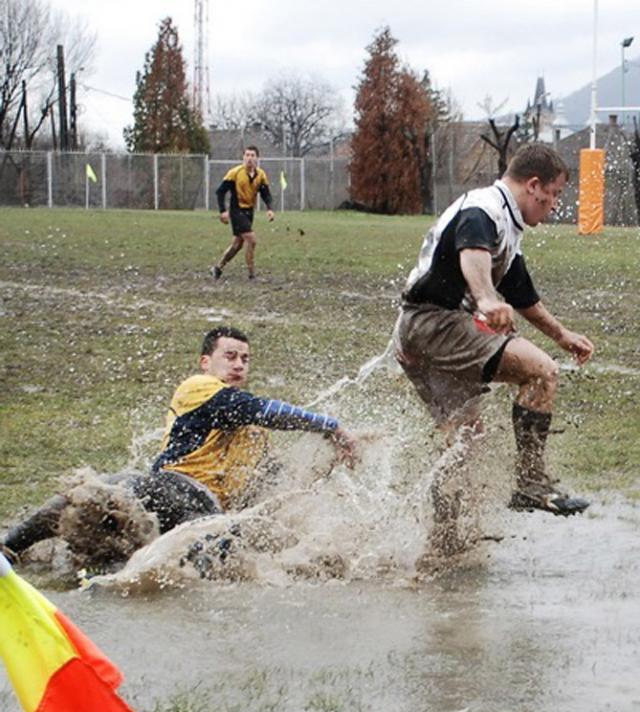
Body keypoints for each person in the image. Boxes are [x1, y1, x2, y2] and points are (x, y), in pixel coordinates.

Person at [1, 326, 357, 563]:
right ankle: (10, 546)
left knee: (210, 544)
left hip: (206, 512)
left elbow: (268, 481)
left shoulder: (256, 433)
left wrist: (324, 469)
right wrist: (330, 426)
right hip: (169, 487)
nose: (238, 365)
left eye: (245, 359)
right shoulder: (198, 388)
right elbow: (256, 408)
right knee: (93, 492)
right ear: (206, 362)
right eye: (229, 356)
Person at [393, 142, 594, 521]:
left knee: (466, 444)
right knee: (541, 372)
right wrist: (485, 298)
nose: (553, 207)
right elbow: (472, 251)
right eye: (553, 196)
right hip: (434, 324)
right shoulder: (484, 209)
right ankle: (531, 484)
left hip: (416, 335)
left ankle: (444, 545)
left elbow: (520, 293)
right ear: (533, 185)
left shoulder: (504, 221)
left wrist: (562, 335)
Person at [212, 146, 274, 281]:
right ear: (243, 158)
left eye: (252, 155)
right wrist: (222, 211)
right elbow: (220, 192)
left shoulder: (261, 174)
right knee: (251, 240)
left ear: (257, 158)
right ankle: (252, 274)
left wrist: (269, 208)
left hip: (249, 211)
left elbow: (265, 193)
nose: (249, 158)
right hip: (236, 210)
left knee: (237, 244)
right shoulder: (235, 173)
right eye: (247, 155)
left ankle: (218, 267)